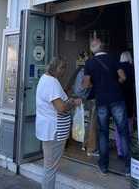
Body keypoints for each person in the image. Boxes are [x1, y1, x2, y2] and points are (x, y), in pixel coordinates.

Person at [83, 36, 131, 176]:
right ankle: (128, 167)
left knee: (103, 133)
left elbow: (86, 84)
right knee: (123, 132)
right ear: (103, 47)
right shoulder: (113, 58)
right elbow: (123, 77)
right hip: (117, 98)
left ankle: (104, 166)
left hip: (101, 101)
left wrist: (96, 85)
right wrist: (115, 83)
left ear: (92, 50)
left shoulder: (89, 63)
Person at [36, 58, 81, 189]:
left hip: (50, 130)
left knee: (49, 166)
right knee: (50, 168)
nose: (64, 71)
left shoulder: (45, 79)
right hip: (54, 131)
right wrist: (73, 103)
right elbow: (60, 108)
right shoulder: (51, 83)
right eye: (62, 68)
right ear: (55, 68)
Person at [114, 51, 135, 157]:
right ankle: (128, 149)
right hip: (130, 99)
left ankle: (120, 151)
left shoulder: (117, 68)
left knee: (118, 127)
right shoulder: (132, 68)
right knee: (129, 125)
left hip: (118, 100)